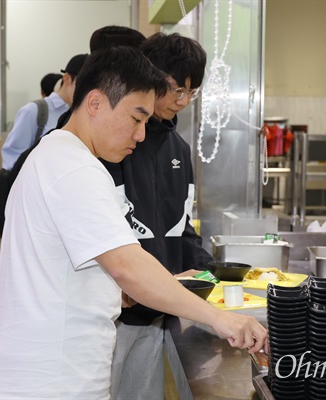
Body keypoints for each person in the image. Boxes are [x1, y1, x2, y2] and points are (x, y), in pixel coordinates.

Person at [0, 46, 268, 400]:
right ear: (96, 103)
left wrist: (163, 284)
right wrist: (220, 318)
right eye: (136, 119)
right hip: (54, 381)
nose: (141, 135)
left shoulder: (55, 155)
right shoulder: (75, 167)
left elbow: (83, 274)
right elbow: (125, 266)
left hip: (45, 374)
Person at [106, 32, 212, 400]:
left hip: (157, 312)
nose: (181, 102)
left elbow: (182, 225)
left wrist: (208, 271)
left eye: (190, 93)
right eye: (175, 90)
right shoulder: (114, 144)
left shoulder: (179, 149)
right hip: (113, 314)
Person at [0, 53, 88, 235]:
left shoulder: (82, 114)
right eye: (83, 85)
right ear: (67, 79)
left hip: (62, 204)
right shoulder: (35, 111)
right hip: (30, 204)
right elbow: (12, 158)